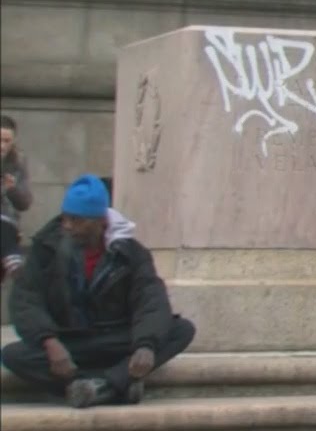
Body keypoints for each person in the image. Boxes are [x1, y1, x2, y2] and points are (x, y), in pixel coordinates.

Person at [1, 174, 196, 408]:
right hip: (69, 340)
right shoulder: (45, 250)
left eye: (77, 220)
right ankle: (116, 386)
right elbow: (26, 299)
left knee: (180, 330)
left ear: (101, 220)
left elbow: (151, 300)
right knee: (13, 355)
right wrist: (49, 341)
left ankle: (101, 386)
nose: (68, 226)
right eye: (65, 219)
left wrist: (146, 344)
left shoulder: (131, 253)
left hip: (116, 337)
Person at [1, 114, 34, 228]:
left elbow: (25, 204)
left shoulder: (18, 161)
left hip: (8, 225)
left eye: (7, 141)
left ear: (13, 140)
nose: (2, 146)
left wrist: (12, 190)